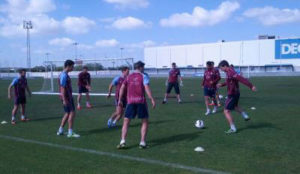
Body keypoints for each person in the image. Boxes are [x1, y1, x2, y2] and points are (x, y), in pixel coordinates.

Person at [117, 61, 156, 149]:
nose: (144, 68)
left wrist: (120, 99)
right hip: (141, 102)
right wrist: (151, 98)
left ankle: (122, 141)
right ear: (140, 67)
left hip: (130, 102)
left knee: (126, 122)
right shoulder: (144, 76)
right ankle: (142, 142)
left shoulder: (128, 76)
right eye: (143, 67)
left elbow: (122, 87)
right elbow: (146, 87)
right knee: (145, 121)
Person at [217, 60, 256, 134]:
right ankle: (245, 116)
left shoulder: (231, 72)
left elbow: (241, 79)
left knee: (226, 111)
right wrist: (222, 84)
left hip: (232, 94)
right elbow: (229, 81)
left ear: (225, 66)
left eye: (221, 68)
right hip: (236, 93)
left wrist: (251, 86)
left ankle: (233, 128)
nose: (221, 70)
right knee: (235, 106)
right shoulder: (228, 72)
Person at [57, 60, 80, 138]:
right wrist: (64, 99)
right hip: (67, 97)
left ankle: (60, 130)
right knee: (72, 113)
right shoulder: (64, 75)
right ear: (68, 66)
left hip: (67, 97)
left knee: (67, 113)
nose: (73, 68)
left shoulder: (64, 74)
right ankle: (70, 132)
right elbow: (62, 88)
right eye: (72, 66)